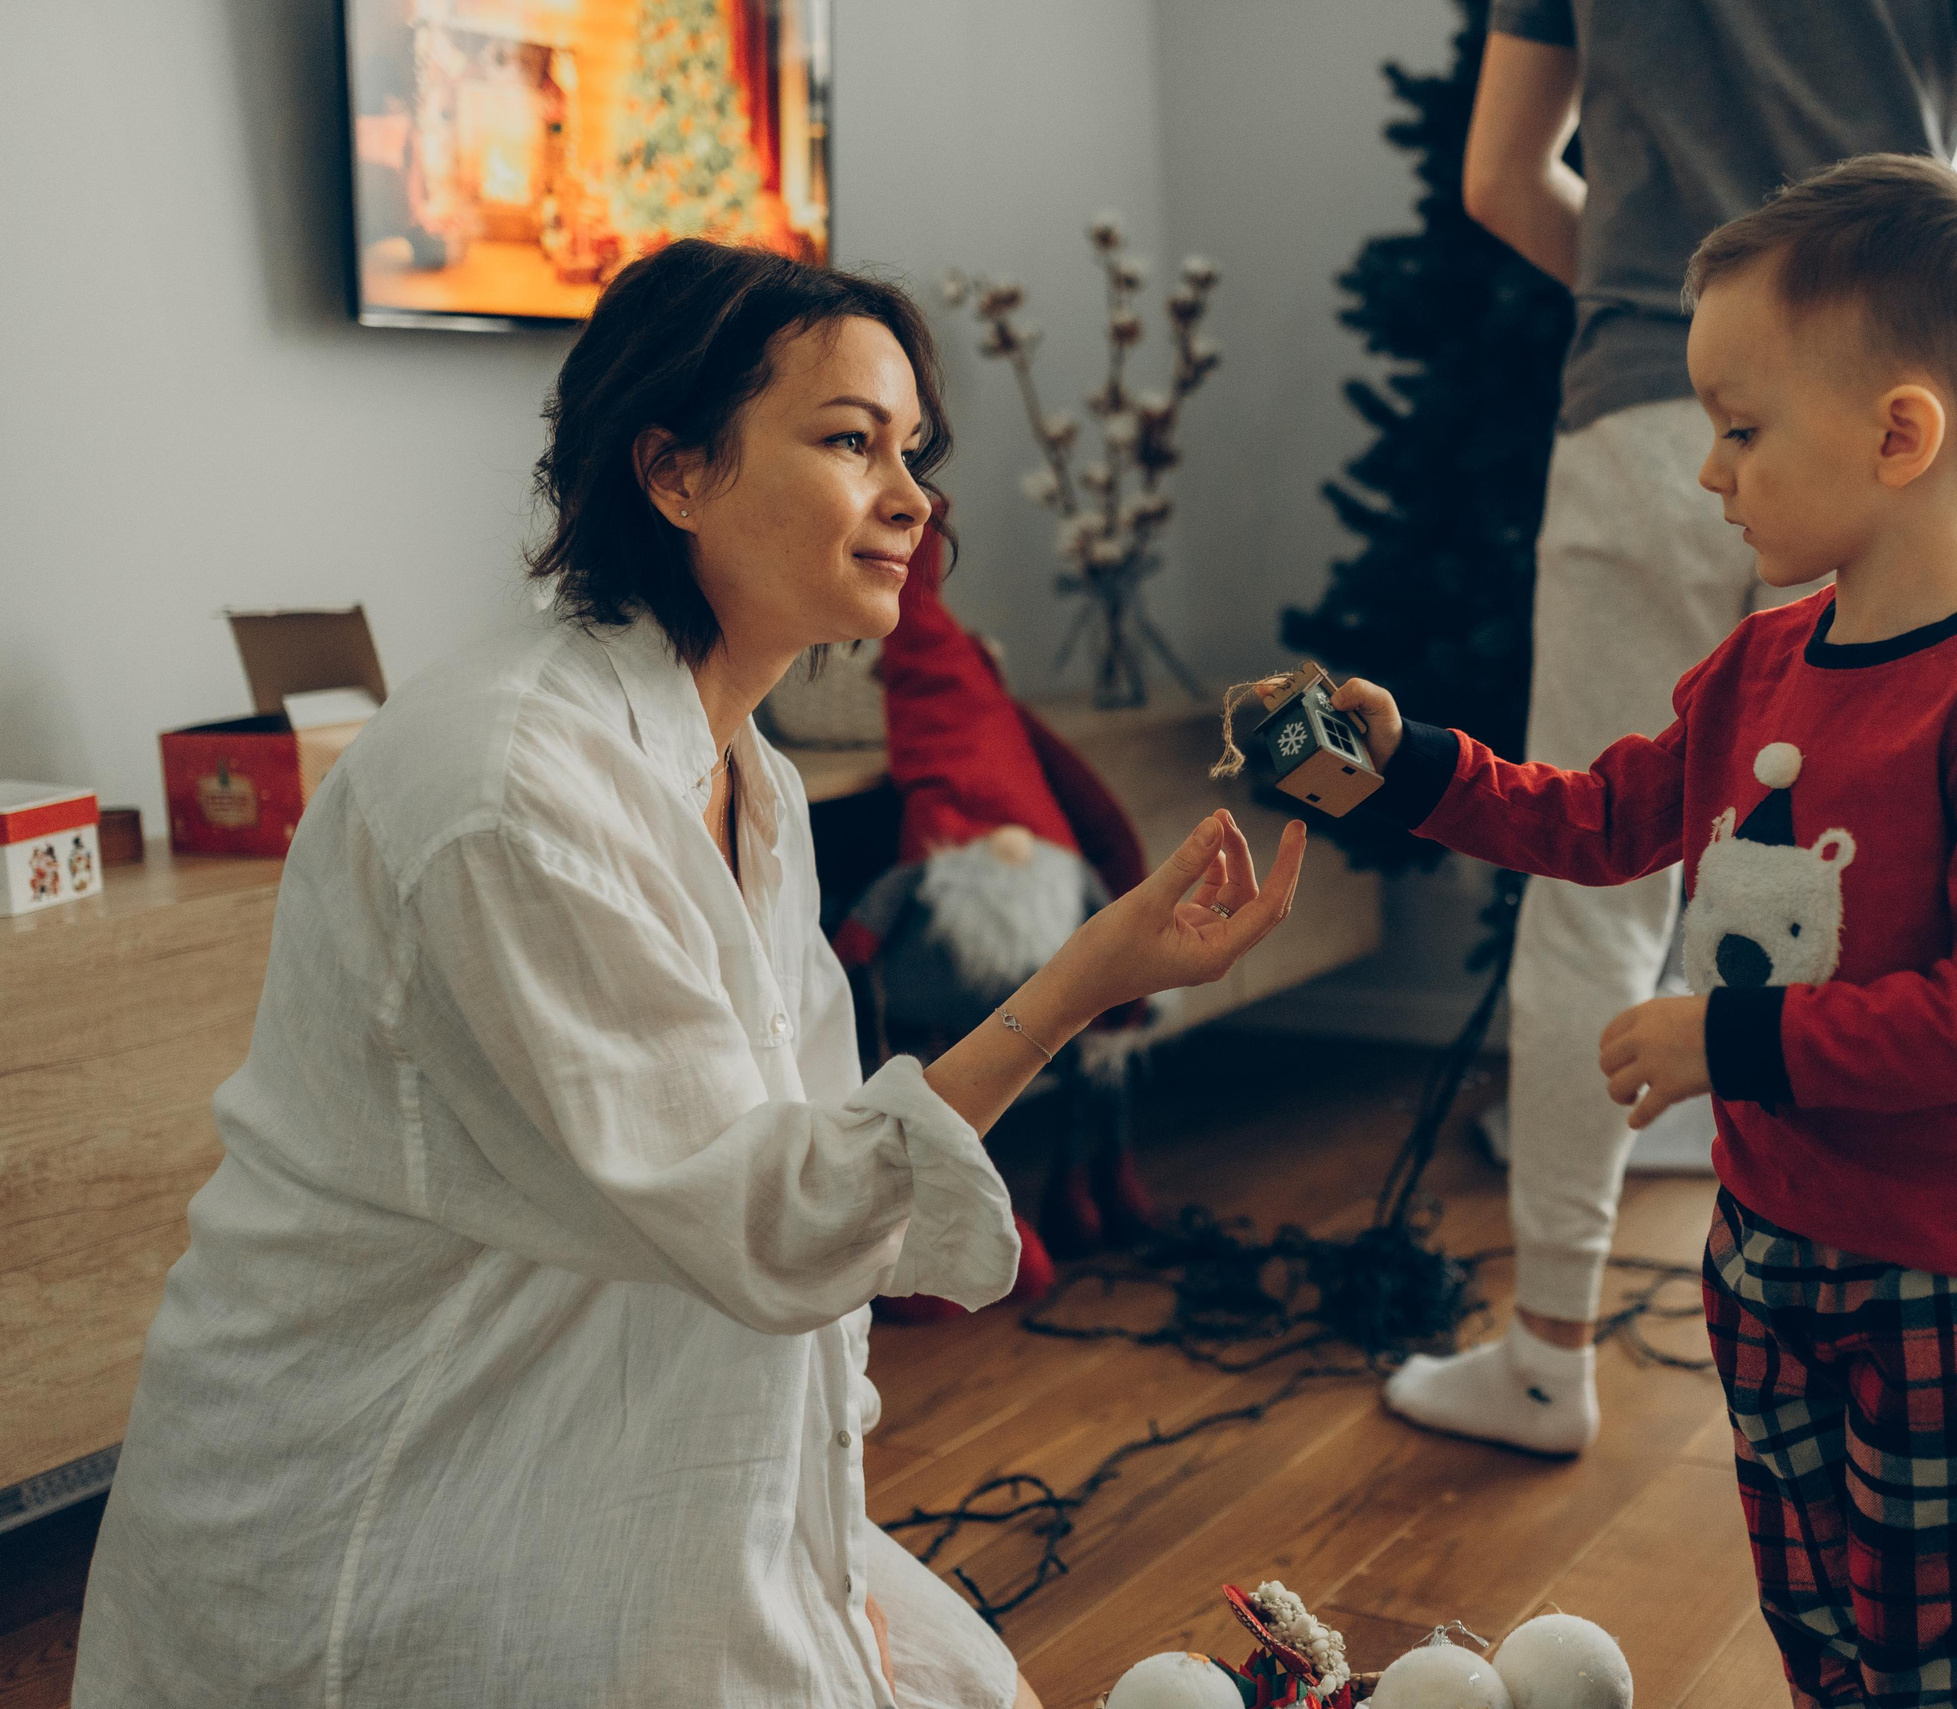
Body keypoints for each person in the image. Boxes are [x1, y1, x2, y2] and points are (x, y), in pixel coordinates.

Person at [71, 240, 1307, 1709]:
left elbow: (811, 1174)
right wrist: (1075, 983)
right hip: (401, 1498)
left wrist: (827, 1549)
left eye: (912, 450)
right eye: (850, 442)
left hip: (625, 1441)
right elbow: (775, 1217)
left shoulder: (750, 780)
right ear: (673, 472)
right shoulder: (512, 787)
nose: (913, 499)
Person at [1334, 155, 1957, 1707]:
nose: (1709, 470)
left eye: (1741, 429)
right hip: (1773, 1252)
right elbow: (1599, 818)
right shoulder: (1760, 668)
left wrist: (1730, 1036)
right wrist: (1414, 765)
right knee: (1820, 1618)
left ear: (1900, 434)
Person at [1389, 0, 1957, 1459]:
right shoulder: (1899, 613)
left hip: (1635, 398)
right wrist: (1852, 338)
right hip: (1870, 394)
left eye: (1742, 438)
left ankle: (1547, 1351)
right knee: (1899, 873)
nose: (1732, 468)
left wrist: (1723, 345)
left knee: (1590, 917)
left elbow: (1502, 180)